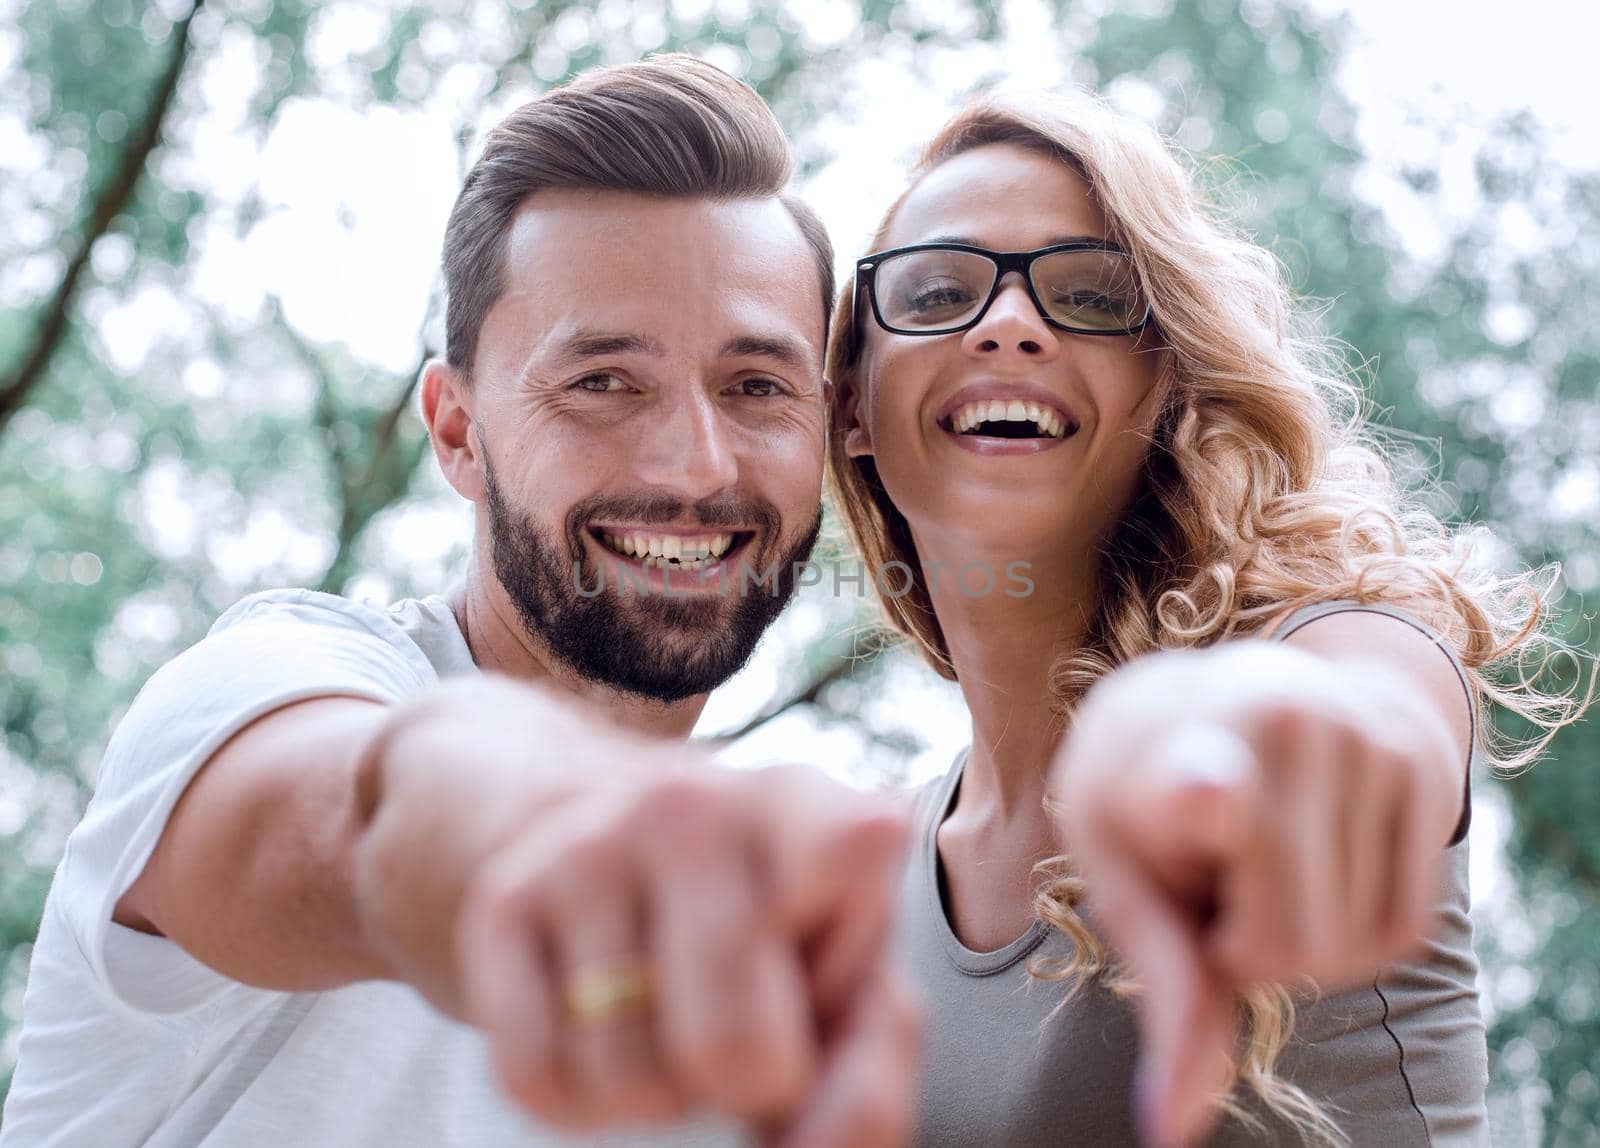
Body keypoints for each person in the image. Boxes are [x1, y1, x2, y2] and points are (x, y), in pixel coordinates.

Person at [1, 56, 921, 1148]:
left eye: (758, 385)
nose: (691, 466)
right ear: (456, 430)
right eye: (602, 381)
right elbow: (362, 821)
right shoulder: (266, 687)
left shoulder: (778, 974)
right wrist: (568, 855)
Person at [826, 86, 1583, 1147]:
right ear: (853, 401)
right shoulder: (869, 886)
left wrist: (1263, 735)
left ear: (1166, 386)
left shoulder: (1321, 642)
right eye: (938, 288)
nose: (1007, 322)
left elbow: (1370, 715)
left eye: (1089, 295)